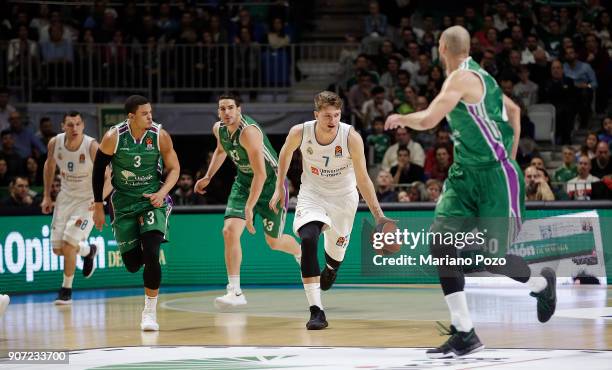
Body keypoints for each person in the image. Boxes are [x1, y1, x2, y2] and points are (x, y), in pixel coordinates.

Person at [385, 26, 556, 359]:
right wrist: (509, 148)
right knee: (441, 243)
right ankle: (464, 331)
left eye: (437, 45)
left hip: (494, 178)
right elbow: (516, 112)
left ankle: (541, 284)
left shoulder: (461, 78)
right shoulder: (484, 80)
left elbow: (430, 119)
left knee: (490, 256)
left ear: (443, 47)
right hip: (464, 175)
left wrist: (401, 117)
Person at [269, 91, 393, 330]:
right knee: (308, 239)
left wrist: (379, 215)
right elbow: (284, 155)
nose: (332, 120)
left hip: (344, 199)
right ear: (316, 115)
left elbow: (364, 178)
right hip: (312, 194)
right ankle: (316, 311)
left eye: (336, 115)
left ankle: (331, 268)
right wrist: (279, 188)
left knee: (335, 256)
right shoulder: (300, 132)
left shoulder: (351, 137)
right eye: (327, 115)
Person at [194, 94, 301, 311]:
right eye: (222, 108)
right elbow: (221, 150)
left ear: (239, 109)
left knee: (274, 242)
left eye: (230, 108)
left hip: (271, 186)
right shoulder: (219, 129)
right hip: (243, 183)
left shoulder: (249, 132)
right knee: (229, 231)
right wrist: (208, 176)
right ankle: (235, 291)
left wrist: (250, 207)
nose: (226, 112)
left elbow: (261, 174)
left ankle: (300, 253)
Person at [92, 95, 180, 331]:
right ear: (131, 117)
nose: (150, 116)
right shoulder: (113, 137)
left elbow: (174, 168)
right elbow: (98, 169)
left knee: (152, 252)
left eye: (150, 112)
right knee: (132, 264)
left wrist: (162, 192)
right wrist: (98, 204)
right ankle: (139, 240)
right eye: (144, 113)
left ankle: (149, 312)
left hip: (152, 200)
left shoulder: (160, 135)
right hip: (122, 204)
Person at [41, 111, 112, 304]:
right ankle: (88, 251)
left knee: (69, 245)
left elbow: (110, 178)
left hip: (87, 201)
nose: (74, 128)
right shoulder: (55, 143)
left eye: (78, 124)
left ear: (83, 126)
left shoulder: (91, 146)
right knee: (58, 250)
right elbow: (49, 167)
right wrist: (47, 196)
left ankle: (66, 290)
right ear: (62, 126)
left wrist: (98, 201)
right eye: (70, 125)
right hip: (65, 199)